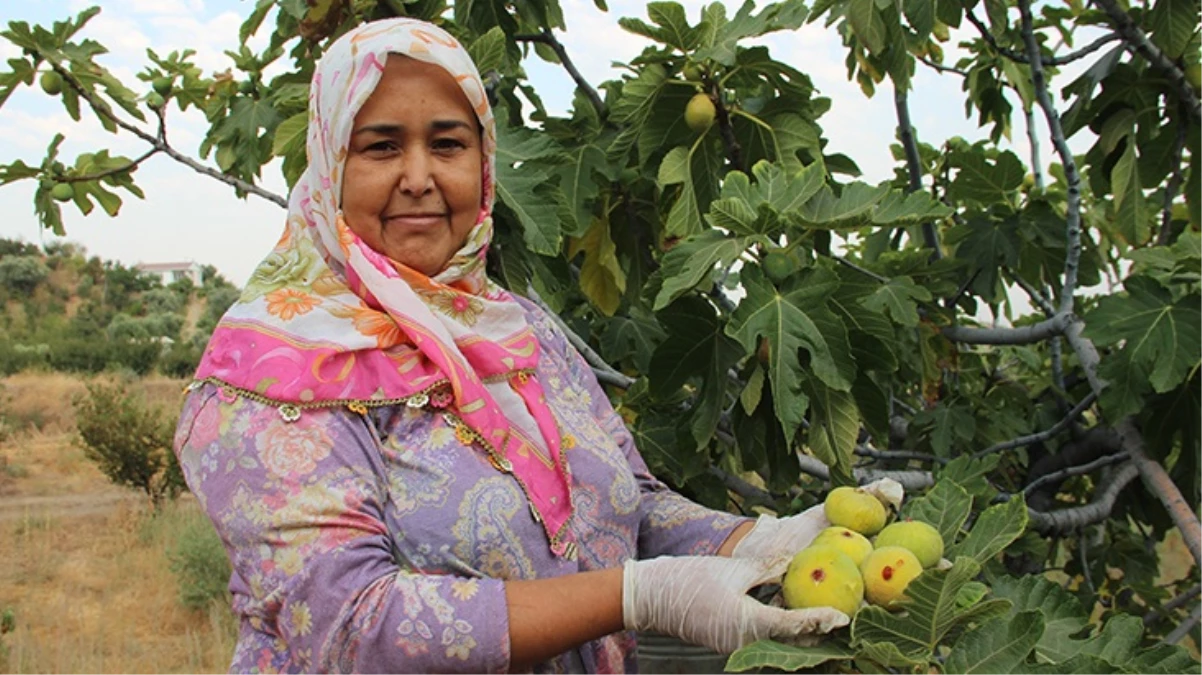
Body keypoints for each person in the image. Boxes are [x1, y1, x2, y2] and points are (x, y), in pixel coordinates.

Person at [173, 17, 893, 673]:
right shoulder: (268, 377)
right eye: (381, 145)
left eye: (448, 143)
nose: (420, 177)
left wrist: (758, 540)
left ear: (482, 165)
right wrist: (640, 595)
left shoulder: (516, 327)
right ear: (330, 164)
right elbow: (351, 625)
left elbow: (631, 502)